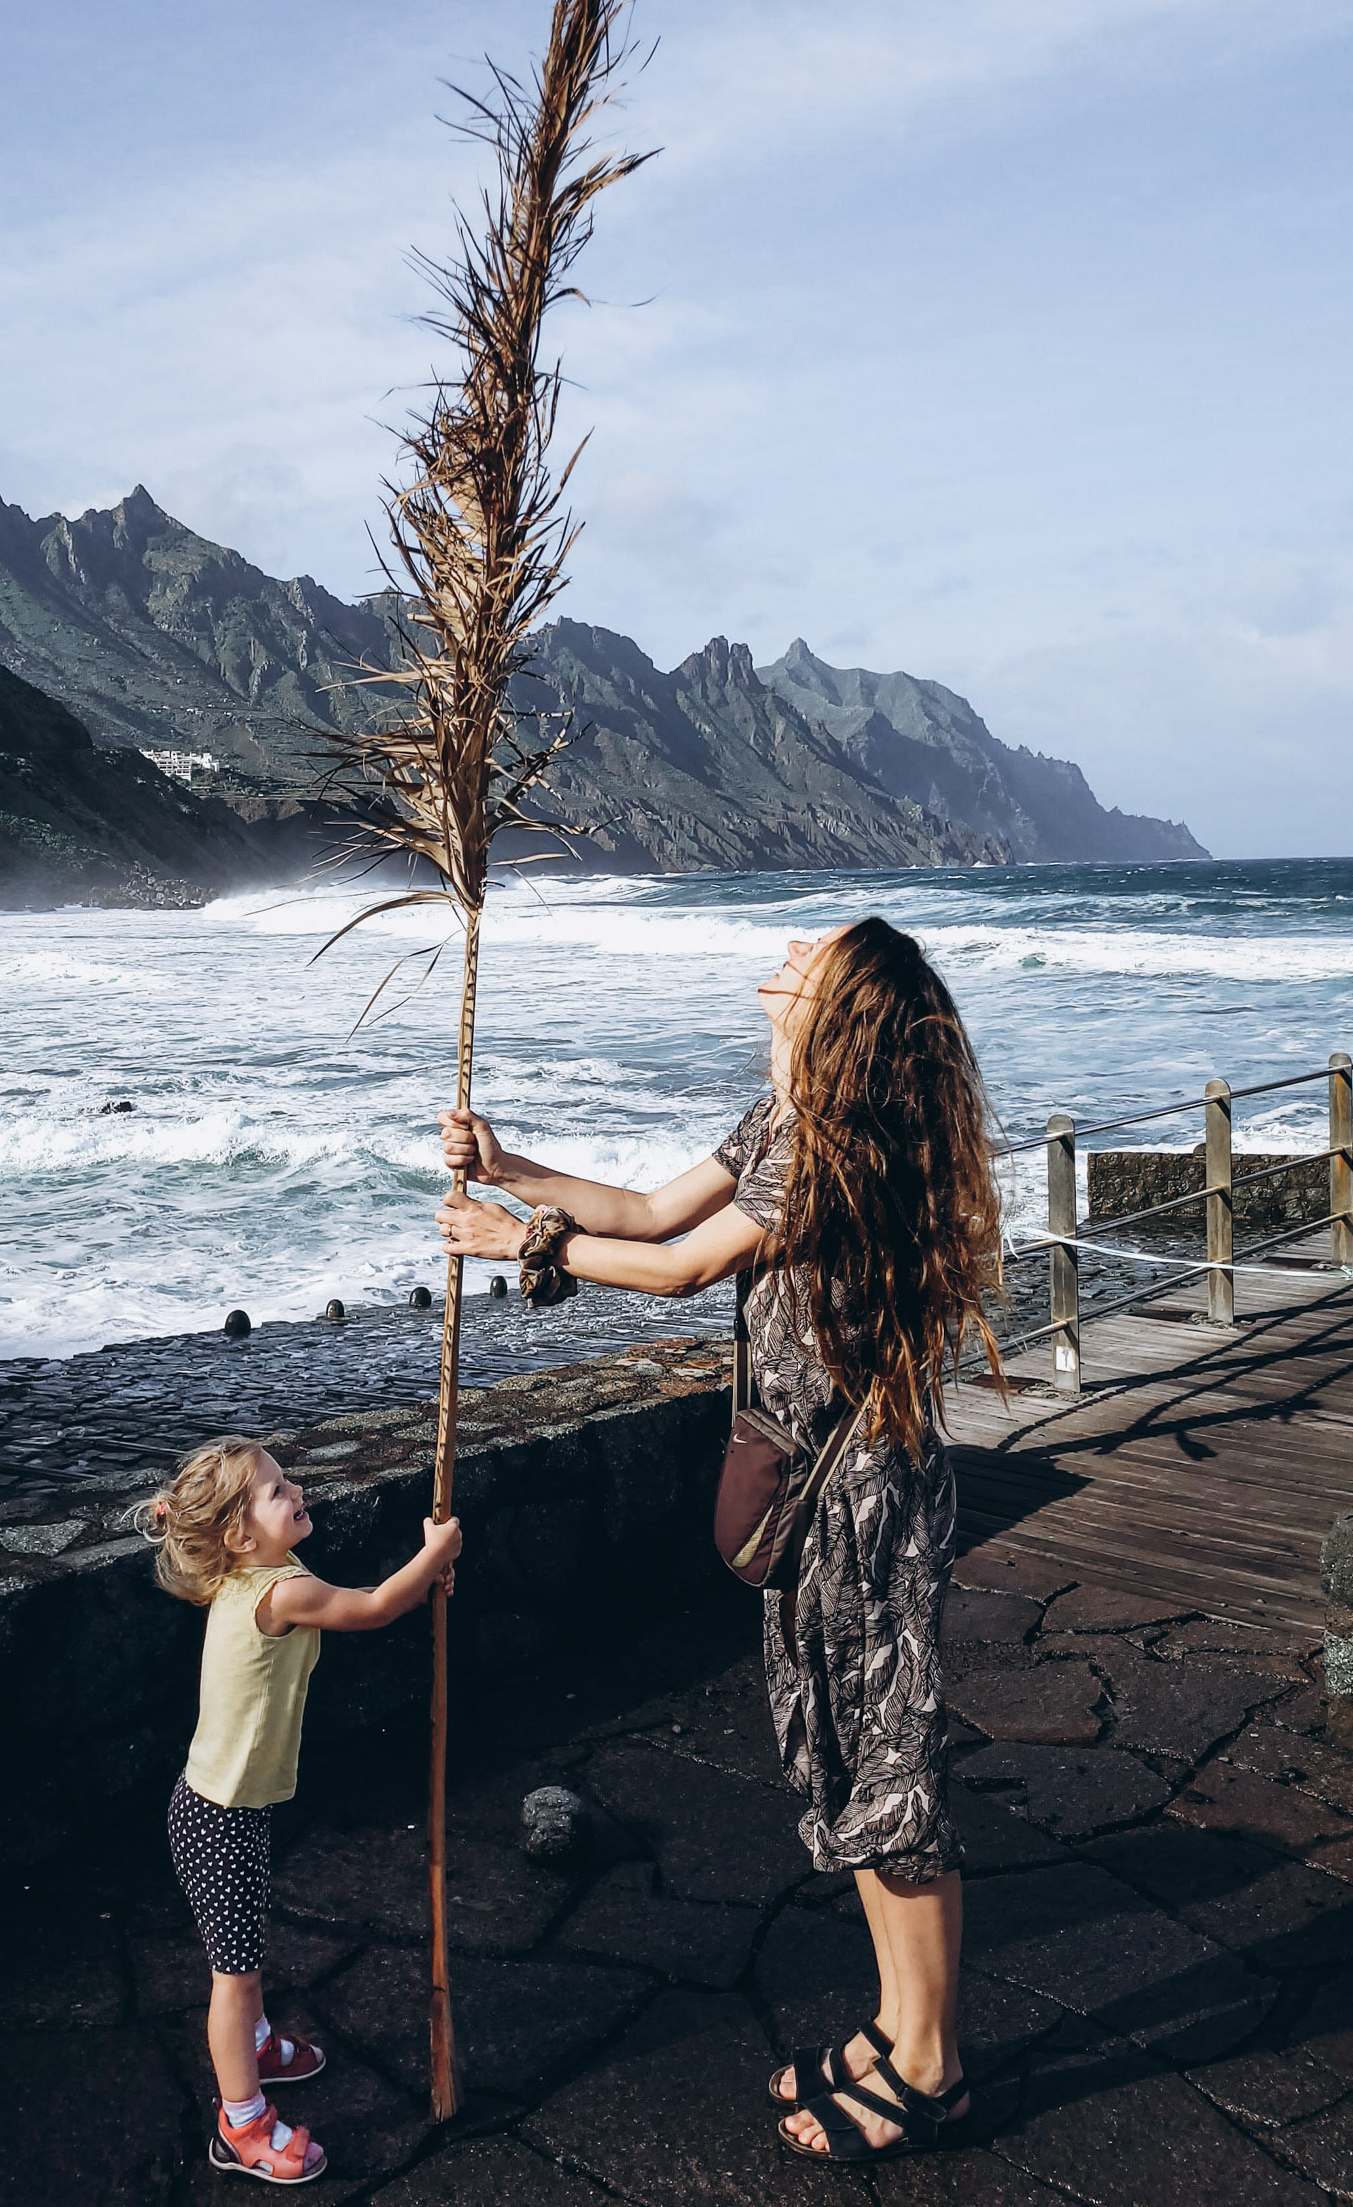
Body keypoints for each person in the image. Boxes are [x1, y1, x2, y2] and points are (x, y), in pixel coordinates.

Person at [436, 914, 1003, 2167]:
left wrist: (521, 1244)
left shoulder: (827, 1147)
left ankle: (933, 2064)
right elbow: (644, 1208)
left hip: (861, 1495)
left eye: (814, 952)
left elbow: (685, 1269)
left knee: (891, 1779)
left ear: (842, 1003)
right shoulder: (779, 1121)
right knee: (858, 1774)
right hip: (815, 1484)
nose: (787, 953)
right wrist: (517, 1166)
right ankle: (901, 2024)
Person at [138, 1439, 462, 2184]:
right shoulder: (280, 1592)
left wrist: (423, 1576)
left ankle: (252, 2050)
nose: (297, 1489)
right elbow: (376, 1606)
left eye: (289, 1478)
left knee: (244, 1960)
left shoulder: (258, 1573)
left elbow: (371, 1599)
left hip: (218, 1806)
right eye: (277, 1489)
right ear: (241, 1535)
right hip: (218, 1815)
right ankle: (240, 2124)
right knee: (234, 1972)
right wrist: (435, 1548)